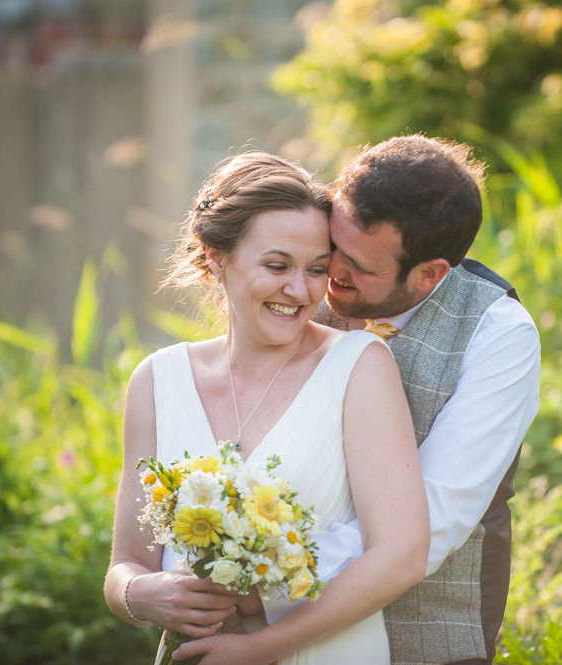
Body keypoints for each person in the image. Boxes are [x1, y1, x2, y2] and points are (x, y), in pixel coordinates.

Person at [103, 151, 430, 665]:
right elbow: (127, 562)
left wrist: (258, 649)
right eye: (276, 265)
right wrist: (139, 595)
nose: (299, 291)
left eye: (317, 270)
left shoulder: (359, 365)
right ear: (216, 255)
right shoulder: (157, 380)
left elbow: (401, 557)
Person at [259, 134, 542, 665]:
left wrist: (268, 576)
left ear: (431, 272)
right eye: (334, 244)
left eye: (360, 267)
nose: (333, 272)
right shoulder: (301, 292)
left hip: (426, 634)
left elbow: (433, 519)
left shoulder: (498, 334)